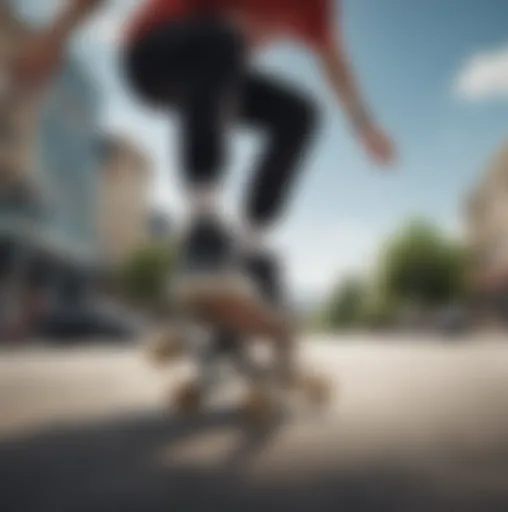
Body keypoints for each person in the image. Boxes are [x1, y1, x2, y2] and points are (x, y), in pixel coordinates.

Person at [13, 0, 396, 339]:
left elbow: (335, 65)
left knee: (299, 114)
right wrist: (53, 38)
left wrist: (364, 126)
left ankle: (251, 248)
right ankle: (202, 227)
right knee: (223, 40)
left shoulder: (316, 8)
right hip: (152, 56)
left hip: (216, 70)